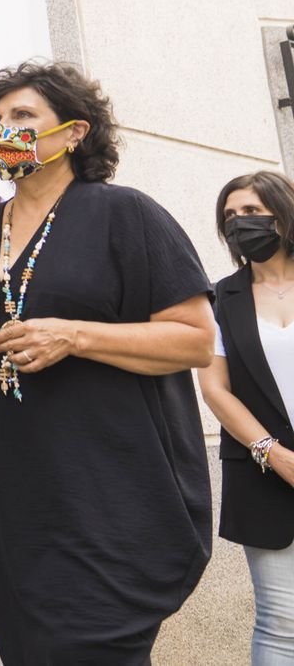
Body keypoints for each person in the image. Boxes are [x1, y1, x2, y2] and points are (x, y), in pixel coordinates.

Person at [0, 61, 214, 664]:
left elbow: (194, 339)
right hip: (5, 493)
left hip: (102, 493)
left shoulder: (125, 214)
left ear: (74, 132)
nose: (3, 130)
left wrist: (76, 336)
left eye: (22, 117)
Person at [200, 170, 294, 664]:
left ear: (282, 214)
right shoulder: (221, 298)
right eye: (230, 216)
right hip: (263, 475)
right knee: (281, 624)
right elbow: (215, 390)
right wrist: (272, 454)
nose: (239, 223)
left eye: (251, 212)